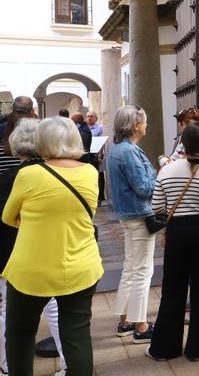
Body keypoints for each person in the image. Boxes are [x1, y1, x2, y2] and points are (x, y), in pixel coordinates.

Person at [2, 117, 103, 376]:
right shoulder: (90, 172)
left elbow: (8, 216)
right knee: (77, 335)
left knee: (20, 332)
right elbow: (87, 213)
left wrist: (37, 223)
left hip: (32, 269)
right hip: (81, 265)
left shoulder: (28, 174)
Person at [147, 122, 199, 362]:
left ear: (183, 142)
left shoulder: (167, 171)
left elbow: (156, 206)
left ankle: (165, 348)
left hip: (177, 232)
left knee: (173, 289)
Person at [0, 118, 67, 376]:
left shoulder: (8, 178)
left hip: (11, 254)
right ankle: (69, 362)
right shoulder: (58, 174)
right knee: (53, 307)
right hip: (48, 251)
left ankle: (7, 366)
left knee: (8, 311)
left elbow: (6, 219)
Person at [107, 105, 158, 343]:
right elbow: (145, 188)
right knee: (142, 271)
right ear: (136, 125)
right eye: (144, 122)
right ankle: (141, 326)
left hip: (128, 215)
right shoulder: (129, 152)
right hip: (139, 216)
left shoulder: (116, 149)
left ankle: (125, 320)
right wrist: (162, 170)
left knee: (130, 268)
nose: (146, 125)